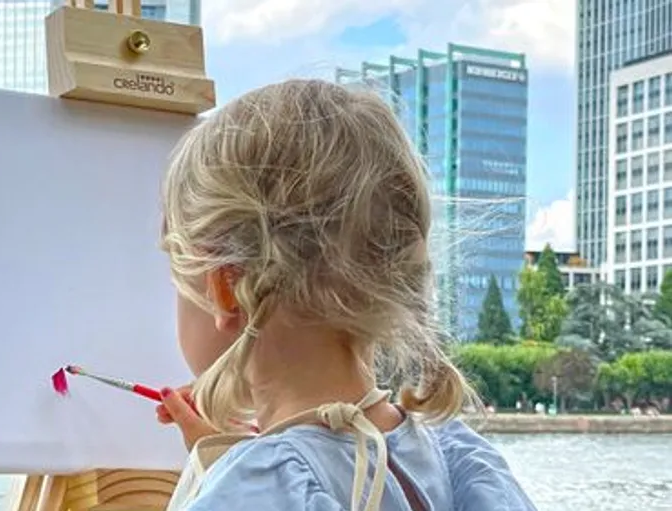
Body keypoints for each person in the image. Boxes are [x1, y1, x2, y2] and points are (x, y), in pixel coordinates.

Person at [155, 79, 536, 511]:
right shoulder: (457, 455)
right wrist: (233, 468)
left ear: (226, 289)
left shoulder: (259, 489)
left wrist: (239, 482)